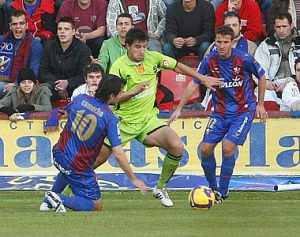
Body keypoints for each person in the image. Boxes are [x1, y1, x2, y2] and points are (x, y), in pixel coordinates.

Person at [93, 28, 224, 207]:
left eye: (145, 47)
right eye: (138, 47)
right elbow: (112, 99)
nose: (142, 51)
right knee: (94, 162)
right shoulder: (118, 66)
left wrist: (202, 77)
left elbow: (177, 66)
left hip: (148, 120)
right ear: (127, 46)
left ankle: (160, 187)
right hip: (123, 122)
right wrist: (133, 91)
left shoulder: (153, 58)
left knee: (177, 146)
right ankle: (63, 192)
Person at [169, 25, 267, 203]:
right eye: (218, 42)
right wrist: (178, 108)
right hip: (220, 112)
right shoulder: (209, 60)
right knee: (205, 149)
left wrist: (260, 104)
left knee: (228, 147)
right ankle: (213, 189)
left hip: (243, 111)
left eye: (225, 42)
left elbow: (261, 76)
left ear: (232, 43)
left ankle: (223, 190)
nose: (222, 46)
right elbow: (193, 83)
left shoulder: (243, 58)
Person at [40, 74, 146, 212]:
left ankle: (47, 203)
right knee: (95, 204)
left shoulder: (80, 99)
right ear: (112, 96)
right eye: (121, 92)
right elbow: (119, 153)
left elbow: (62, 112)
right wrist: (133, 179)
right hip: (77, 166)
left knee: (67, 172)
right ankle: (58, 198)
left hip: (58, 153)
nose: (122, 94)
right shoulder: (110, 118)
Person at [201, 10, 257, 110]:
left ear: (240, 27)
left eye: (234, 25)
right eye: (228, 25)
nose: (231, 28)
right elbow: (201, 74)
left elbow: (258, 76)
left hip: (242, 94)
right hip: (217, 93)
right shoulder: (213, 47)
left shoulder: (250, 46)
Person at [39, 16, 92, 101]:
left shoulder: (83, 49)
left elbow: (83, 75)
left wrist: (68, 83)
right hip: (54, 86)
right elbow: (43, 71)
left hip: (74, 87)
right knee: (44, 89)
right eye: (60, 29)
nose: (62, 32)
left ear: (73, 32)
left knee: (85, 90)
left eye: (66, 29)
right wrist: (58, 84)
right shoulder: (49, 46)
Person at [254, 12, 300, 110]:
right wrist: (265, 81)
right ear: (274, 27)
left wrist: (291, 80)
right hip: (272, 84)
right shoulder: (266, 44)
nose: (281, 30)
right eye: (278, 27)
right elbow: (257, 66)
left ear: (291, 26)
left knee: (292, 91)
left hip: (295, 82)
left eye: (284, 26)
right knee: (260, 94)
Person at [0, 9, 43, 99]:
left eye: (21, 23)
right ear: (10, 26)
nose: (18, 27)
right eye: (14, 24)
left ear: (27, 25)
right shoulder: (2, 40)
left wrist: (16, 84)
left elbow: (33, 72)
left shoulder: (34, 45)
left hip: (21, 85)